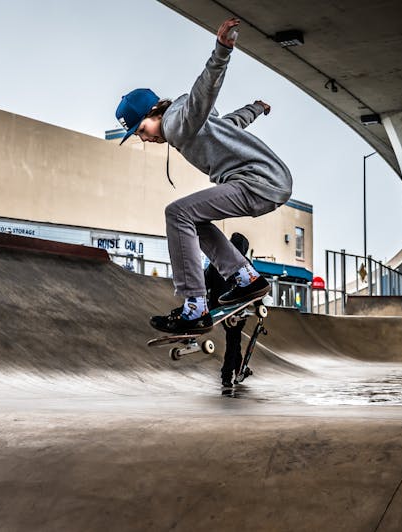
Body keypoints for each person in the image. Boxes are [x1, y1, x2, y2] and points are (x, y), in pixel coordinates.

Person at [114, 17, 292, 335]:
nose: (144, 139)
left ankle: (195, 306)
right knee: (193, 220)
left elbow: (203, 92)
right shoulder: (192, 124)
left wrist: (222, 49)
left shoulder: (175, 123)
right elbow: (232, 125)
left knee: (177, 212)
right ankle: (246, 279)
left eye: (141, 130)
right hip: (266, 180)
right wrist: (256, 107)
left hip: (256, 182)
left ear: (153, 113)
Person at [206, 232, 252, 387]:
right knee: (233, 340)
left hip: (217, 308)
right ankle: (226, 375)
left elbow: (205, 282)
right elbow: (256, 286)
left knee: (234, 339)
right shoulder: (245, 263)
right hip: (234, 308)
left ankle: (240, 370)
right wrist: (260, 307)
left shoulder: (216, 261)